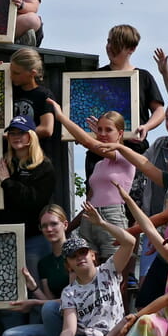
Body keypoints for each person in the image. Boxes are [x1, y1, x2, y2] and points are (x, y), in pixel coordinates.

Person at [100, 138, 168, 311]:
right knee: (145, 301)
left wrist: (130, 232)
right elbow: (145, 165)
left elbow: (163, 217)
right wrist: (120, 147)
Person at [44, 205, 136, 336]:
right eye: (73, 256)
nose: (79, 257)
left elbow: (129, 242)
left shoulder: (109, 269)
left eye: (83, 252)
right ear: (68, 265)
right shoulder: (69, 292)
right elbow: (69, 329)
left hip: (114, 334)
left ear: (92, 255)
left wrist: (101, 223)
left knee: (131, 321)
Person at [49, 100, 133, 261]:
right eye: (99, 129)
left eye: (108, 130)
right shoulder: (100, 164)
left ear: (120, 133)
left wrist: (61, 117)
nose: (102, 133)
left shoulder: (125, 155)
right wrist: (70, 227)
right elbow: (90, 200)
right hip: (89, 218)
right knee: (88, 269)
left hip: (112, 216)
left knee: (114, 269)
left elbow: (89, 143)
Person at [1, 205, 71, 336]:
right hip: (56, 322)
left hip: (77, 324)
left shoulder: (76, 255)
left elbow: (73, 301)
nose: (49, 229)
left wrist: (32, 303)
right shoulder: (44, 263)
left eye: (54, 224)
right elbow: (49, 304)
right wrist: (33, 286)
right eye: (44, 226)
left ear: (65, 225)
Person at [0, 115, 56, 268]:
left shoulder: (44, 166)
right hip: (5, 235)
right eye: (12, 133)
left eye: (21, 133)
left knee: (35, 285)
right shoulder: (3, 163)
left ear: (31, 136)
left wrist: (7, 182)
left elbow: (35, 201)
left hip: (34, 237)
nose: (16, 137)